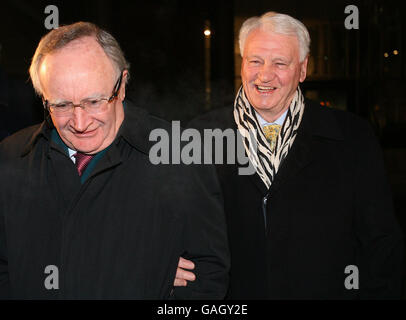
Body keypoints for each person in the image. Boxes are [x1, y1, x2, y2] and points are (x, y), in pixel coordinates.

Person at [175, 12, 404, 299]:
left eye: (280, 63)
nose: (264, 75)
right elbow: (170, 222)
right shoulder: (199, 136)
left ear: (303, 69)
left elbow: (381, 243)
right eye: (254, 61)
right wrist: (163, 261)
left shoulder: (352, 137)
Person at [0, 22, 229, 299]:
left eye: (95, 101)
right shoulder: (10, 158)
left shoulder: (180, 154)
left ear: (121, 86)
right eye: (61, 105)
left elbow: (208, 275)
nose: (80, 123)